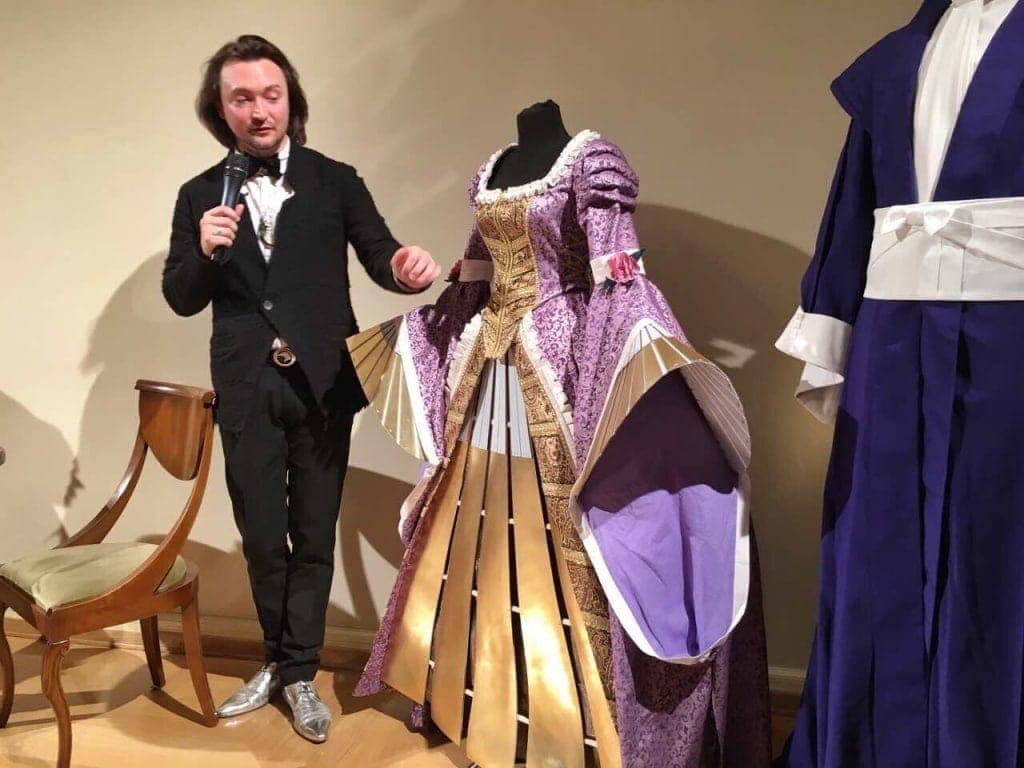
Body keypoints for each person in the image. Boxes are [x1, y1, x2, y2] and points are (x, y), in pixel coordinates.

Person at [347, 101, 771, 767]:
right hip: (490, 374)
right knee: (486, 538)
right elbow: (477, 272)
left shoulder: (591, 161)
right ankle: (492, 700)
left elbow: (618, 276)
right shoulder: (492, 171)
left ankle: (587, 728)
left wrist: (618, 376)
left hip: (566, 365)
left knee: (577, 536)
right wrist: (436, 337)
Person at [161, 34, 440, 744]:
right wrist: (204, 251)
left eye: (271, 94)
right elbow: (181, 297)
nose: (259, 110)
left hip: (323, 384)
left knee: (313, 533)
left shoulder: (335, 180)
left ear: (291, 100)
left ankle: (301, 673)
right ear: (220, 110)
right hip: (245, 387)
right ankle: (277, 663)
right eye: (242, 98)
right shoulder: (199, 195)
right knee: (262, 537)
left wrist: (405, 265)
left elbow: (379, 254)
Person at [775, 1, 1024, 765]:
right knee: (880, 545)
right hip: (891, 342)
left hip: (1010, 339)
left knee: (999, 548)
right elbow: (854, 202)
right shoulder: (896, 58)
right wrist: (831, 318)